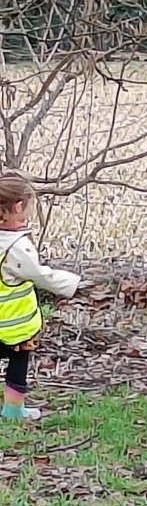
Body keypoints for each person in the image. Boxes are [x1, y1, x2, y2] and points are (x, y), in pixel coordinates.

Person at [0, 173, 80, 421]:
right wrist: (73, 284)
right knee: (17, 363)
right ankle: (13, 410)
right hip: (13, 327)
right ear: (18, 207)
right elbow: (41, 276)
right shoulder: (17, 248)